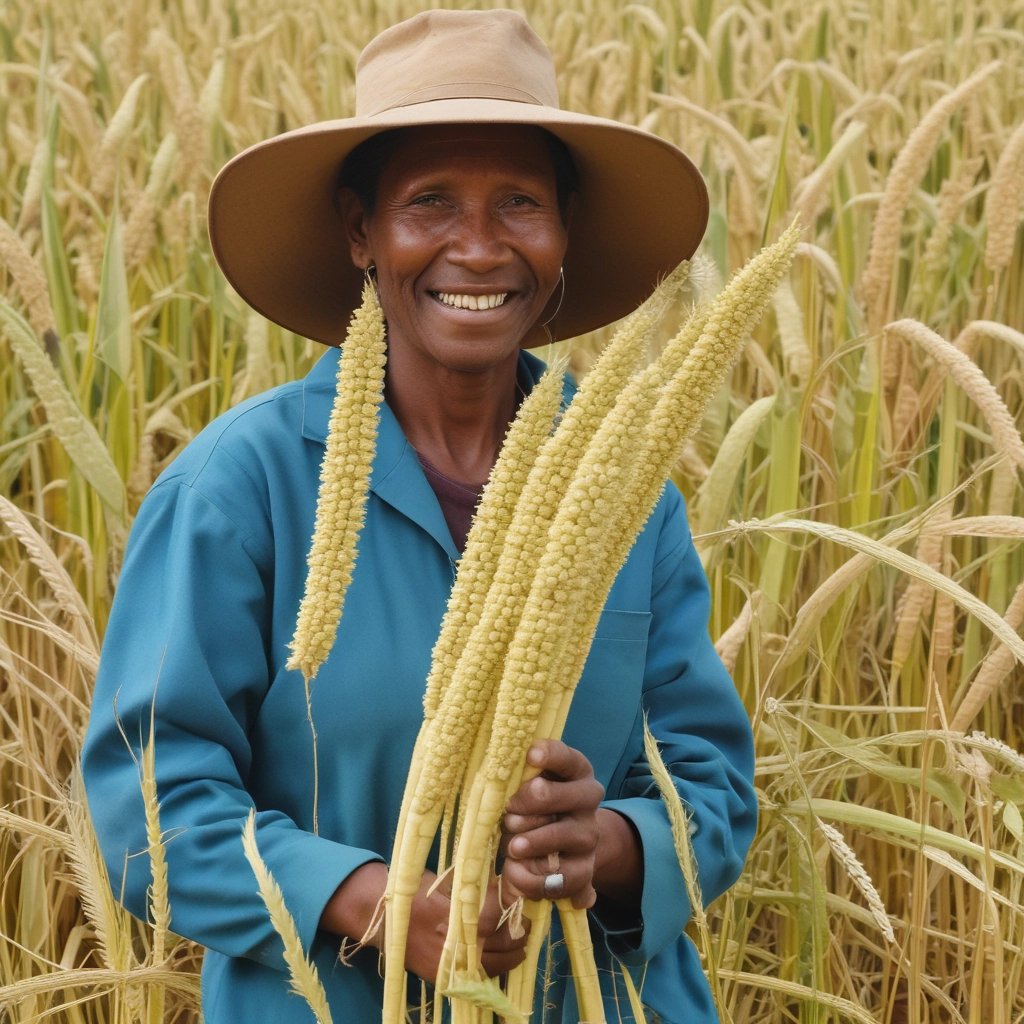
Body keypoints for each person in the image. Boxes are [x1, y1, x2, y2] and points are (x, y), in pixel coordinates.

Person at [82, 10, 757, 1023]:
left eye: (519, 203)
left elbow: (712, 787)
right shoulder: (240, 485)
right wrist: (373, 902)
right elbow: (147, 813)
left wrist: (610, 844)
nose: (478, 247)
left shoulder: (628, 487)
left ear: (563, 232)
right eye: (431, 202)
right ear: (363, 229)